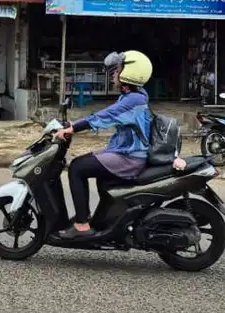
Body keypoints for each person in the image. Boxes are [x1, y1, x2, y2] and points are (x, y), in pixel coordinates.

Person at [53, 50, 186, 239]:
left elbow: (105, 116)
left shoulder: (133, 100)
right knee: (91, 168)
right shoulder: (134, 95)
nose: (113, 75)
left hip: (130, 157)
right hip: (124, 151)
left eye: (117, 71)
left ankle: (82, 225)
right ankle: (98, 218)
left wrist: (74, 128)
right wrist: (73, 125)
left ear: (129, 74)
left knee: (77, 168)